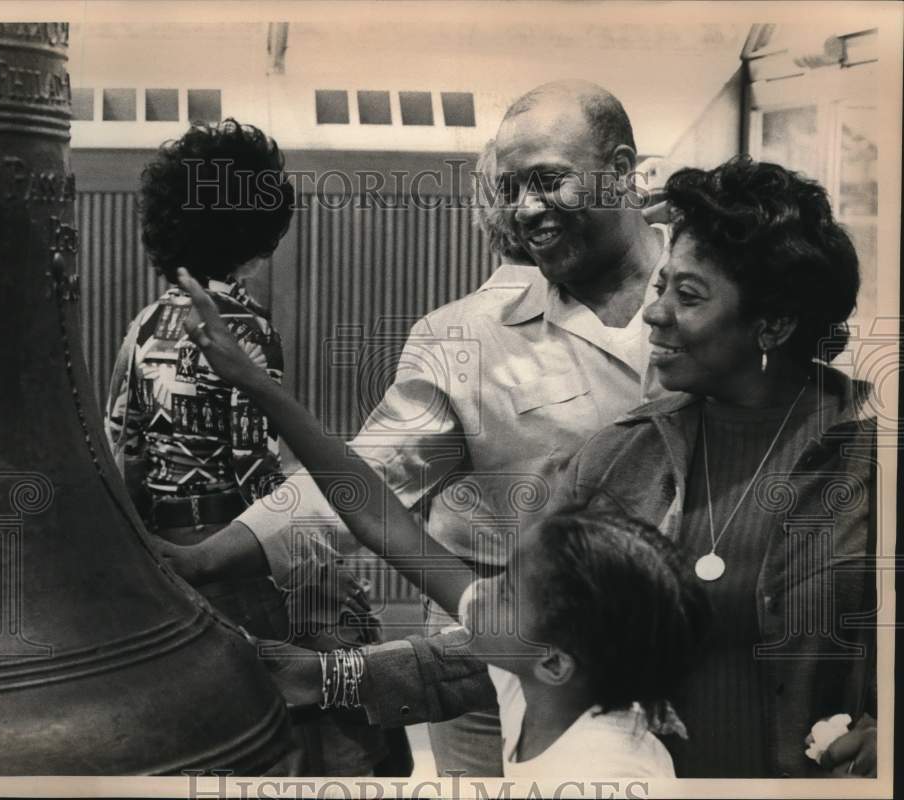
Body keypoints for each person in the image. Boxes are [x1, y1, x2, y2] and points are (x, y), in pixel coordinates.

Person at [289, 157, 877, 779]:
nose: (655, 313)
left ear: (774, 324)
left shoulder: (875, 462)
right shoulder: (621, 456)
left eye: (690, 295)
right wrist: (339, 677)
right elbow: (535, 639)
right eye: (661, 285)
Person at [156, 80, 671, 776]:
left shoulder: (718, 287)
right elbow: (366, 487)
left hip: (713, 682)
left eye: (549, 181)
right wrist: (206, 558)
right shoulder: (463, 336)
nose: (526, 211)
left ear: (620, 167)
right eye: (512, 188)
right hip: (515, 675)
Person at [176, 265, 711, 778]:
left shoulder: (610, 767)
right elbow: (376, 511)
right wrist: (255, 383)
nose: (475, 594)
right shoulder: (530, 674)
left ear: (553, 662)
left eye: (503, 589)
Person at [103, 118, 392, 775]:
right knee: (322, 706)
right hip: (239, 551)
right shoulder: (248, 328)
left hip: (168, 553)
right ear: (256, 229)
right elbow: (254, 466)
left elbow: (125, 449)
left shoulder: (142, 325)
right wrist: (313, 571)